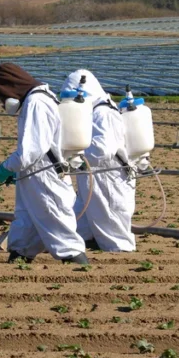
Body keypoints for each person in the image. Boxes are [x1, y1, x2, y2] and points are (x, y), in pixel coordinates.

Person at [0, 63, 89, 265]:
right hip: (36, 173)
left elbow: (31, 150)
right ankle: (19, 257)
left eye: (0, 95)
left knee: (56, 220)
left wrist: (7, 167)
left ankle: (80, 269)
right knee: (27, 221)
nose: (2, 101)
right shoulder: (40, 98)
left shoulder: (36, 102)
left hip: (44, 174)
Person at [61, 70, 136, 252]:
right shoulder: (91, 111)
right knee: (82, 217)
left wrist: (73, 155)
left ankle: (121, 256)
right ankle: (84, 241)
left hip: (109, 177)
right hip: (93, 174)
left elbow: (102, 150)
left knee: (110, 219)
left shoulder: (103, 112)